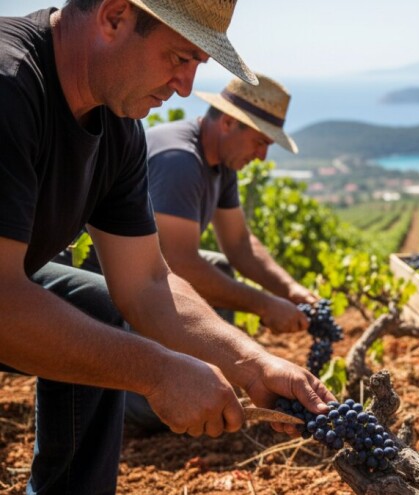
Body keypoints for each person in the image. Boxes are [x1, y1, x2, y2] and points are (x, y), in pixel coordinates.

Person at [0, 1, 332, 493]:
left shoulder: (118, 128)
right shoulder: (9, 86)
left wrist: (251, 362)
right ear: (114, 17)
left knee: (99, 306)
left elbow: (149, 283)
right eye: (180, 58)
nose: (186, 88)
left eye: (197, 64)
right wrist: (157, 372)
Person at [124, 73, 320, 431]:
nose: (261, 156)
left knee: (220, 267)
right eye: (260, 142)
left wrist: (288, 290)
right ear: (228, 122)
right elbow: (177, 263)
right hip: (112, 292)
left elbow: (240, 245)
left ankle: (214, 381)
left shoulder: (220, 162)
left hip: (145, 283)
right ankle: (137, 406)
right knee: (148, 411)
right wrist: (263, 304)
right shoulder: (180, 160)